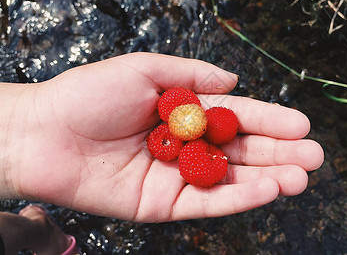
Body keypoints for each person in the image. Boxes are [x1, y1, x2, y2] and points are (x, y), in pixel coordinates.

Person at [0, 52, 324, 254]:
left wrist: (27, 121)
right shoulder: (175, 129)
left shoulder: (194, 125)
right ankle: (39, 230)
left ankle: (36, 229)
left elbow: (203, 127)